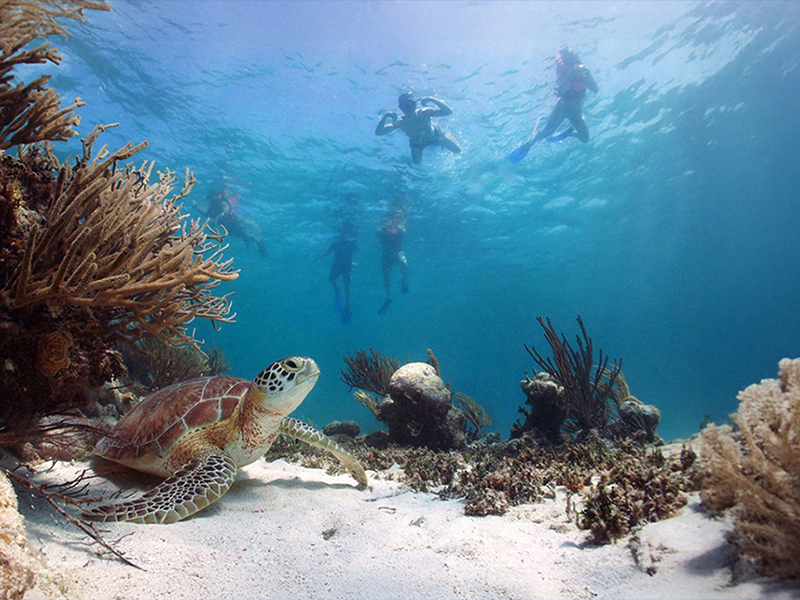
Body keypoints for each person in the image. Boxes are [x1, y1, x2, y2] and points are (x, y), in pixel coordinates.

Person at [508, 48, 598, 163]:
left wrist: (588, 74)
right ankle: (528, 146)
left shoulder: (583, 72)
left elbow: (595, 89)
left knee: (585, 138)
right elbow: (561, 91)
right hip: (562, 108)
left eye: (561, 60)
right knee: (547, 132)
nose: (559, 63)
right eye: (558, 61)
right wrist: (570, 74)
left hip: (576, 110)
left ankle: (569, 133)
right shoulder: (564, 73)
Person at [375, 92, 461, 164]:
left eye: (410, 104)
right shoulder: (400, 122)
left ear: (415, 103)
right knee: (416, 164)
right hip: (417, 144)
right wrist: (385, 116)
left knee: (457, 150)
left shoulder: (424, 112)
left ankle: (445, 135)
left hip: (436, 137)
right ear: (401, 108)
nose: (408, 108)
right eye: (405, 105)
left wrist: (431, 99)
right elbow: (379, 133)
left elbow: (448, 112)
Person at [197, 188, 267, 256]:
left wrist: (216, 219)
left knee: (242, 234)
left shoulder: (223, 203)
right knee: (241, 236)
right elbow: (207, 214)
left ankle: (259, 243)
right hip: (227, 226)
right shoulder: (213, 207)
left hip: (233, 223)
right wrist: (196, 207)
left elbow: (226, 211)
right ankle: (257, 243)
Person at [318, 221, 359, 324]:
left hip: (347, 267)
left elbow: (357, 250)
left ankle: (347, 303)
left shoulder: (350, 243)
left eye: (345, 233)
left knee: (347, 286)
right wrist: (319, 257)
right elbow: (327, 252)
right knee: (331, 280)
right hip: (337, 266)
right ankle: (337, 290)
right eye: (342, 233)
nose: (344, 235)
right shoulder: (335, 243)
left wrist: (355, 240)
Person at [376, 205, 409, 315]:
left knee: (404, 264)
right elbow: (377, 235)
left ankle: (404, 282)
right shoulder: (382, 223)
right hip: (386, 253)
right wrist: (382, 229)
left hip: (398, 251)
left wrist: (398, 227)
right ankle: (388, 297)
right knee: (386, 276)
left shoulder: (402, 222)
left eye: (396, 215)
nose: (393, 218)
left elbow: (404, 234)